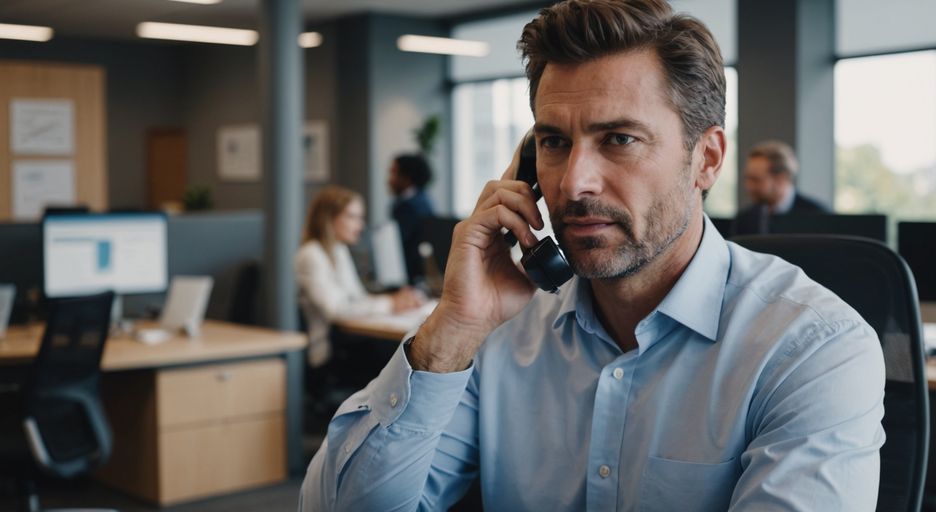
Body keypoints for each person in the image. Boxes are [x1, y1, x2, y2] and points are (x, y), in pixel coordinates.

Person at [300, 1, 884, 510]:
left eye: (619, 139)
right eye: (554, 142)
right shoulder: (500, 334)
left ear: (705, 159)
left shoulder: (811, 349)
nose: (574, 182)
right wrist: (453, 330)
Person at [295, 186, 425, 369]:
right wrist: (390, 304)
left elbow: (357, 297)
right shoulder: (311, 255)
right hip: (328, 350)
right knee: (403, 355)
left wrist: (396, 300)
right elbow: (335, 310)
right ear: (329, 218)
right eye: (352, 217)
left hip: (345, 342)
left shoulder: (338, 250)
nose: (360, 225)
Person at [732, 140, 829, 235]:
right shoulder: (744, 220)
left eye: (756, 179)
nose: (748, 186)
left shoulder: (818, 216)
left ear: (781, 179)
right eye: (747, 178)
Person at [389, 154, 435, 283]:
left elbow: (398, 246)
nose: (389, 180)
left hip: (410, 278)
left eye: (393, 173)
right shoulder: (424, 200)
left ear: (406, 177)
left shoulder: (407, 207)